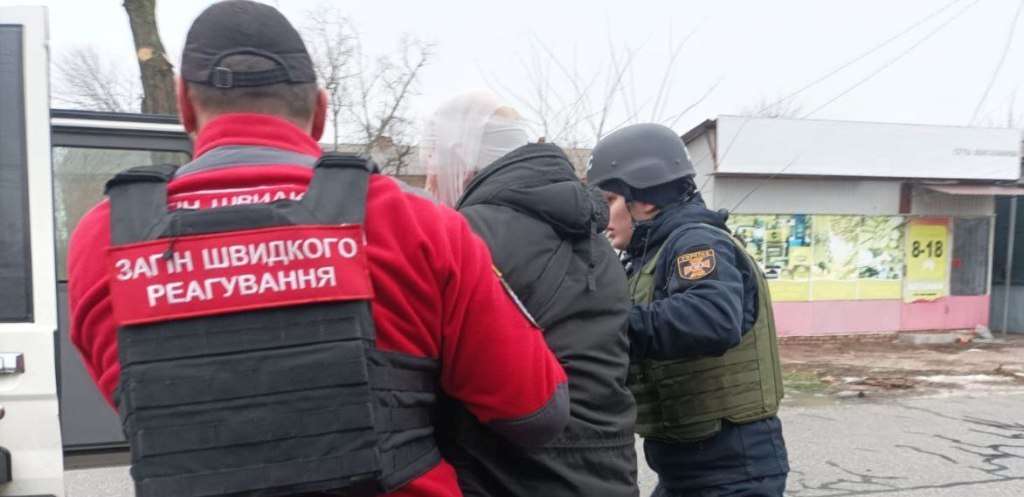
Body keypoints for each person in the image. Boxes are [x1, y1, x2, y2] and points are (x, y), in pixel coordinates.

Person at [66, 3, 569, 497]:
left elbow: (153, 412)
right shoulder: (416, 223)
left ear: (183, 103)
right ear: (321, 111)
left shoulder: (104, 237)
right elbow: (534, 412)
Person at [420, 91, 638, 497]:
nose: (431, 179)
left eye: (433, 162)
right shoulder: (595, 241)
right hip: (606, 471)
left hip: (509, 474)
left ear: (461, 160)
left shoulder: (467, 237)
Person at [588, 123, 789, 497]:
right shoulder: (647, 256)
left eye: (610, 200)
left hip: (733, 470)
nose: (603, 217)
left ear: (646, 200)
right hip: (687, 467)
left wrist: (606, 324)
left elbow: (711, 318)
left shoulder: (696, 241)